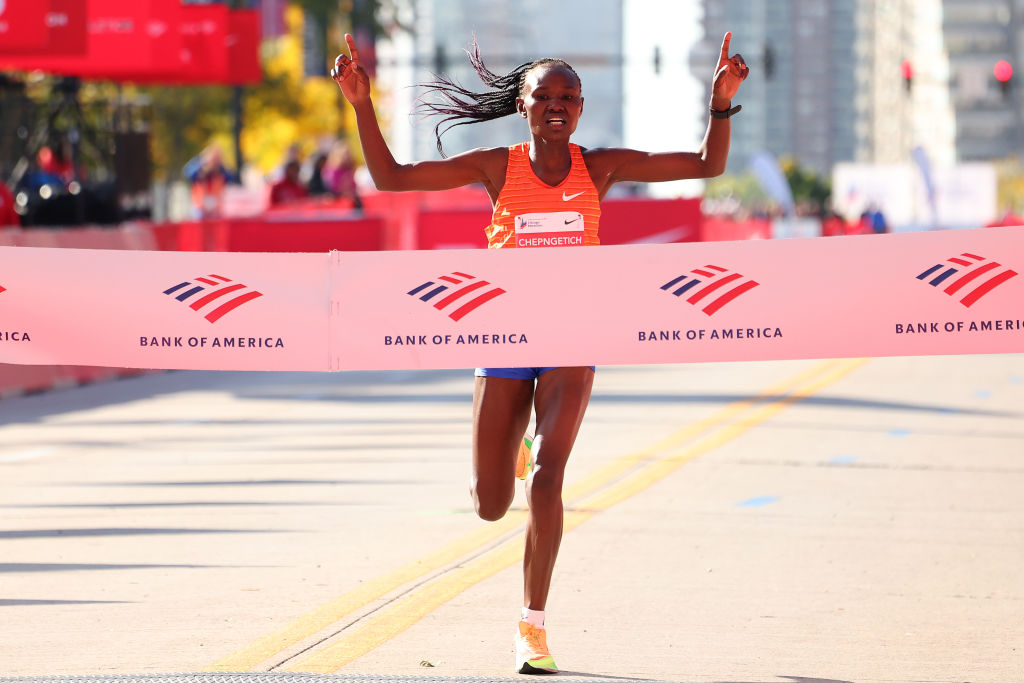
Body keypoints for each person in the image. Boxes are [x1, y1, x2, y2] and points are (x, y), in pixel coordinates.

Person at [332, 31, 747, 675]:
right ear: (522, 106)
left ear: (581, 107)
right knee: (491, 503)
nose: (557, 105)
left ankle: (533, 627)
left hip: (570, 340)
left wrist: (719, 104)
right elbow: (391, 180)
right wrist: (361, 103)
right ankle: (516, 450)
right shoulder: (498, 167)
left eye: (568, 96)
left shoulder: (598, 166)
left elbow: (704, 166)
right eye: (544, 95)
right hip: (503, 340)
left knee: (550, 480)